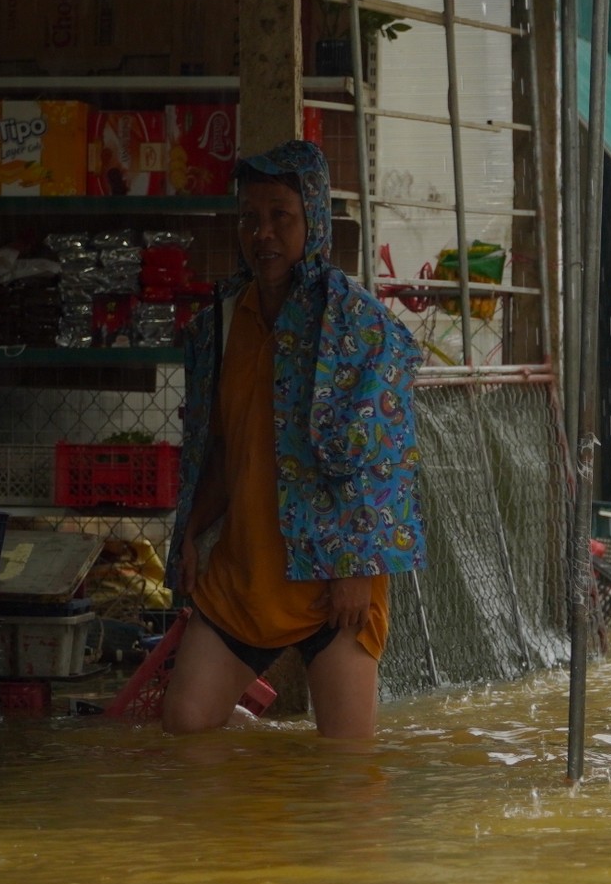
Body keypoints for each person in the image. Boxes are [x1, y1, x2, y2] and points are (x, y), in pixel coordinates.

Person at [163, 139, 425, 739]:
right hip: (246, 576)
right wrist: (191, 534)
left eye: (281, 216)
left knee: (347, 764)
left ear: (314, 221)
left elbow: (384, 458)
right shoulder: (220, 325)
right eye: (250, 219)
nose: (264, 234)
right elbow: (220, 447)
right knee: (186, 728)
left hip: (335, 583)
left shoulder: (359, 326)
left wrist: (357, 568)